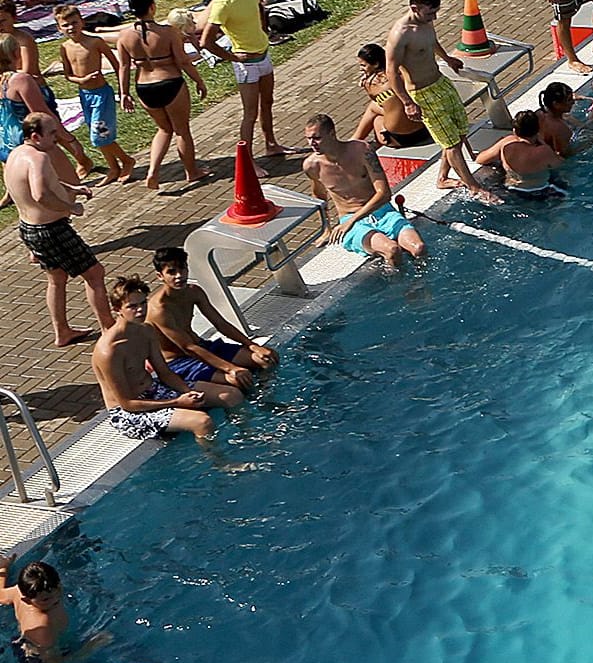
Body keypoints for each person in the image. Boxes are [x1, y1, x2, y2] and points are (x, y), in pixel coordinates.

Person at [386, 0, 496, 201]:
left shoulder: (425, 22)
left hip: (440, 82)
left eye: (435, 13)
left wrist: (447, 58)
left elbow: (431, 42)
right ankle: (473, 187)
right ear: (414, 8)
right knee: (451, 143)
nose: (434, 17)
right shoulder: (401, 34)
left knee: (461, 129)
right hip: (422, 93)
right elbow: (391, 71)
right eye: (429, 13)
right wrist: (407, 102)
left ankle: (442, 178)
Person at [6, 114, 108, 346]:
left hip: (29, 228)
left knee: (57, 278)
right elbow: (40, 194)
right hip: (50, 230)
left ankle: (62, 331)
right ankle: (108, 328)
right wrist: (70, 207)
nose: (57, 137)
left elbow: (40, 183)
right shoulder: (38, 158)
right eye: (52, 133)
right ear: (36, 136)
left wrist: (73, 188)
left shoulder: (16, 155)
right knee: (94, 274)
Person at [92, 275, 218, 442]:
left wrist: (188, 393)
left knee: (229, 395)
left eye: (143, 303)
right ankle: (220, 463)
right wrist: (177, 401)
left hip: (155, 390)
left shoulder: (146, 330)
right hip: (130, 413)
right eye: (132, 306)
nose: (141, 310)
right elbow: (127, 403)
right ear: (117, 309)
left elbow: (164, 372)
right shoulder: (109, 352)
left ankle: (244, 439)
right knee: (202, 422)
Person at [147, 244, 278, 392]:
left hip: (203, 347)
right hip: (179, 360)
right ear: (160, 276)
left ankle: (267, 394)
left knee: (267, 358)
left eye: (182, 269)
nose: (179, 276)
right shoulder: (159, 309)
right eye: (171, 272)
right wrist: (231, 368)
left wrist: (251, 345)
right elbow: (188, 348)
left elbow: (220, 323)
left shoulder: (193, 292)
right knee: (236, 379)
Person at [303, 114, 426, 267]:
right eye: (308, 139)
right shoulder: (312, 166)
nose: (312, 143)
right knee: (392, 250)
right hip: (351, 220)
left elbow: (384, 193)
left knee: (419, 248)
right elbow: (320, 197)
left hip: (382, 212)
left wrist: (353, 219)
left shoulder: (361, 150)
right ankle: (405, 288)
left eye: (316, 138)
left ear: (332, 134)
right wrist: (326, 230)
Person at [198, 0, 287, 161]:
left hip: (264, 56)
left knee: (267, 103)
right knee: (250, 114)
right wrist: (232, 57)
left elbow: (259, 9)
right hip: (246, 66)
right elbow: (206, 41)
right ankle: (247, 161)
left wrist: (264, 31)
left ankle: (271, 144)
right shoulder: (222, 4)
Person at [114, 0, 204, 189]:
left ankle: (153, 171)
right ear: (152, 7)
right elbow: (183, 61)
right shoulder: (167, 32)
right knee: (181, 131)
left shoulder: (124, 36)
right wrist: (199, 81)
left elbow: (124, 66)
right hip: (170, 82)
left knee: (163, 129)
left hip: (144, 87)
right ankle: (192, 171)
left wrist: (124, 93)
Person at [55, 4, 136, 185]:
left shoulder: (95, 42)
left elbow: (118, 66)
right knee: (100, 136)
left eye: (74, 23)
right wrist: (81, 80)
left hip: (102, 94)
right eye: (66, 25)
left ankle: (126, 161)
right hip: (85, 95)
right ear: (59, 28)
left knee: (98, 135)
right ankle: (114, 167)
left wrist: (124, 92)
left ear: (82, 22)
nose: (71, 28)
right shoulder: (65, 47)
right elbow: (68, 74)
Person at [2, 554, 88, 663]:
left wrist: (3, 568)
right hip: (36, 660)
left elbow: (1, 595)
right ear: (26, 600)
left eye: (58, 589)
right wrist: (89, 647)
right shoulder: (41, 626)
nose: (56, 597)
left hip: (48, 645)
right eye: (46, 599)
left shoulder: (22, 590)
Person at [476, 110, 566, 198]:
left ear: (515, 130)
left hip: (512, 190)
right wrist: (543, 143)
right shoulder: (544, 151)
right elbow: (561, 163)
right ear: (537, 130)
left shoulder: (506, 144)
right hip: (541, 191)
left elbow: (480, 159)